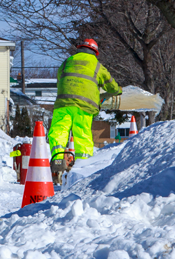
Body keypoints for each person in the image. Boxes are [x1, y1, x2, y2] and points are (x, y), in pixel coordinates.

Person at [48, 39, 122, 183]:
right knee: (82, 134)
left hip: (63, 104)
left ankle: (58, 164)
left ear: (79, 49)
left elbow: (60, 80)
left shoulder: (66, 62)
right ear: (95, 52)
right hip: (84, 106)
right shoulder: (96, 65)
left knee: (58, 132)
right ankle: (83, 168)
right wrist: (118, 90)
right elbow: (111, 85)